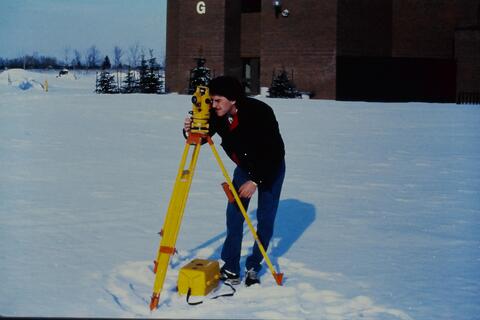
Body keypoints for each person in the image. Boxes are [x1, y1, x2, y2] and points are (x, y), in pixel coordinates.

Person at [184, 76, 285, 287]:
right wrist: (191, 130)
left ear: (233, 99)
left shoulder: (260, 113)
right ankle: (230, 267)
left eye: (218, 100)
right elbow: (203, 136)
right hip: (245, 167)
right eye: (211, 100)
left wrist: (256, 181)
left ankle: (254, 266)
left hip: (270, 167)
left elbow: (275, 152)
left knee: (265, 219)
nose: (213, 105)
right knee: (235, 214)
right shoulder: (216, 114)